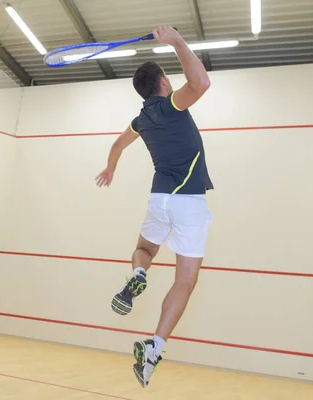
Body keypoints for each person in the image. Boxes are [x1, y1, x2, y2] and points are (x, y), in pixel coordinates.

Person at [95, 26, 213, 388]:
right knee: (185, 279)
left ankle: (138, 274)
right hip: (188, 201)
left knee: (145, 249)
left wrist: (111, 168)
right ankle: (155, 345)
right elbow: (201, 84)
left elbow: (118, 144)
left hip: (159, 199)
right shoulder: (172, 105)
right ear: (163, 82)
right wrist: (177, 42)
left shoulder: (142, 119)